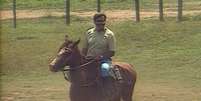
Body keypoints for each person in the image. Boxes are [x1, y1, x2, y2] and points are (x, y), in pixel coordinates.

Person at [81, 13, 122, 81]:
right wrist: (83, 59)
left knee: (105, 69)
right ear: (94, 22)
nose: (101, 23)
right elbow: (84, 49)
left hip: (103, 61)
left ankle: (107, 89)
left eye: (103, 21)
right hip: (89, 60)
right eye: (99, 21)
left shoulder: (110, 34)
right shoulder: (89, 33)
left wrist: (100, 57)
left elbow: (112, 52)